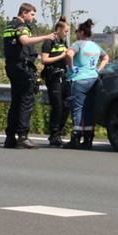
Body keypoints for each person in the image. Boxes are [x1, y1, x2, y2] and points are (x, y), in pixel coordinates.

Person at [2, 3, 56, 149]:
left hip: (12, 66)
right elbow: (24, 41)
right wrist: (46, 37)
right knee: (26, 102)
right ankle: (23, 137)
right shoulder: (21, 26)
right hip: (22, 68)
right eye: (32, 14)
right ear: (24, 13)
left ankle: (10, 138)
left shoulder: (9, 25)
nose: (33, 17)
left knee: (16, 102)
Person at [63, 18, 109, 150]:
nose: (76, 33)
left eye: (77, 31)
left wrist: (71, 67)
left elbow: (68, 54)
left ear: (81, 32)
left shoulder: (78, 44)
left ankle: (76, 138)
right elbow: (106, 57)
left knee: (77, 110)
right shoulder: (95, 46)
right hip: (93, 80)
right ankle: (88, 139)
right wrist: (98, 70)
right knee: (89, 110)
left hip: (79, 80)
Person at [40, 16, 72, 146]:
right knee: (57, 106)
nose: (67, 34)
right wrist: (61, 56)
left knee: (66, 105)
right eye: (65, 31)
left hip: (63, 76)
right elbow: (44, 60)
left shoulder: (63, 42)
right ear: (58, 29)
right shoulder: (49, 42)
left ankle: (59, 131)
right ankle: (53, 134)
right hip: (53, 76)